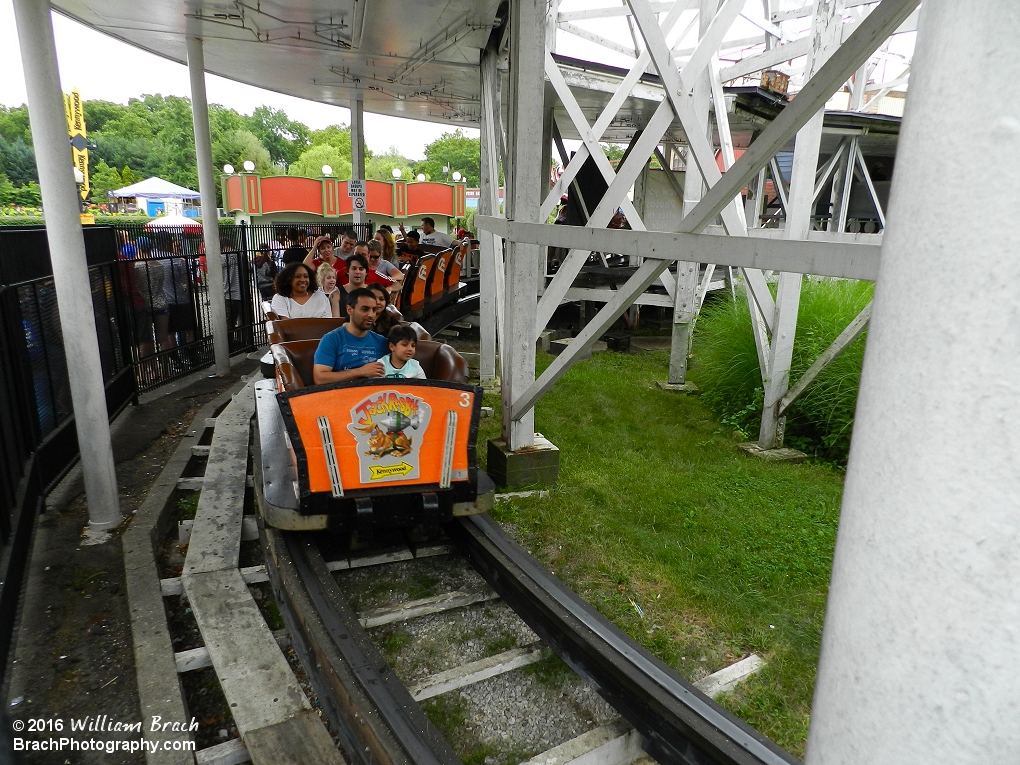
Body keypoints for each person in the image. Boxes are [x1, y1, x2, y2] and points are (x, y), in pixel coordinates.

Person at [312, 288, 388, 384]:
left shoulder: (383, 342)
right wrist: (361, 371)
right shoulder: (331, 339)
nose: (371, 315)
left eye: (374, 310)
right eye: (365, 309)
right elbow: (320, 378)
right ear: (349, 310)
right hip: (340, 395)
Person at [133, 236, 169, 356]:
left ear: (138, 248)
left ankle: (150, 370)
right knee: (163, 338)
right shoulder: (159, 265)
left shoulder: (137, 266)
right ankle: (165, 367)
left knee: (147, 340)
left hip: (145, 304)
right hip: (161, 302)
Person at [160, 234, 196, 352]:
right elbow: (187, 280)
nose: (179, 247)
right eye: (176, 245)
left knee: (171, 331)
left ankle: (175, 357)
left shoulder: (156, 261)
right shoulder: (177, 261)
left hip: (165, 300)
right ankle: (190, 352)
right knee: (189, 328)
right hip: (180, 298)